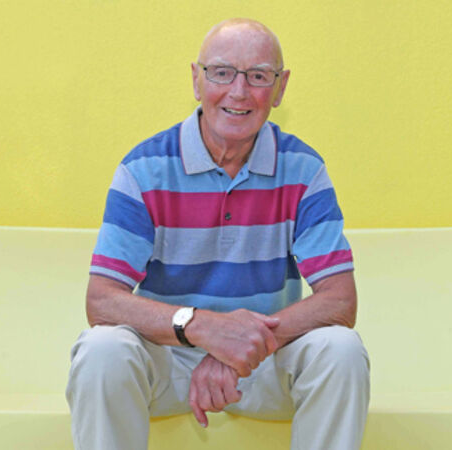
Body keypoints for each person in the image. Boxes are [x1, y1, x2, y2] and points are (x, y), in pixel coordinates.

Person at [66, 18, 370, 450]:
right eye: (222, 72)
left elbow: (340, 301)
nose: (239, 91)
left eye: (258, 76)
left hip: (263, 364)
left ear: (280, 88)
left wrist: (240, 346)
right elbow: (101, 301)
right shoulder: (142, 169)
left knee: (341, 349)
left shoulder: (305, 170)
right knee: (101, 349)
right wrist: (202, 328)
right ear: (196, 79)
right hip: (167, 362)